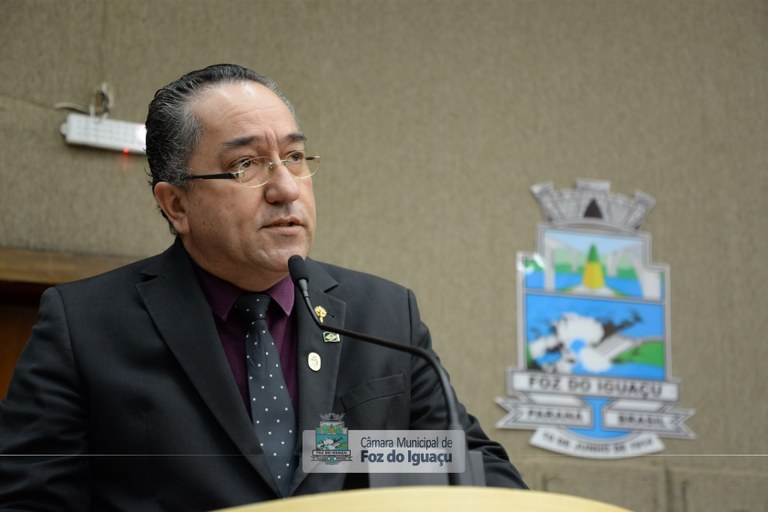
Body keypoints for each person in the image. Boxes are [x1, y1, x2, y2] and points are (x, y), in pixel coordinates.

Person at [0, 64, 526, 511]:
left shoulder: (384, 316)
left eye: (295, 157)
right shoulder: (85, 325)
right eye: (245, 165)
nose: (285, 188)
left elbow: (467, 468)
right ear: (176, 205)